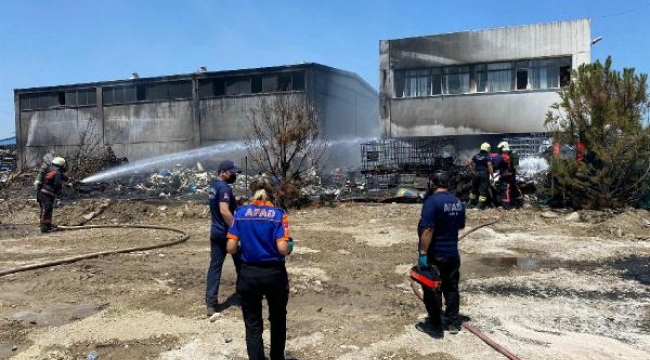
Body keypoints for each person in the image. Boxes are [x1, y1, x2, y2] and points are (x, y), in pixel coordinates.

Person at [226, 177, 293, 360]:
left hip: (248, 274)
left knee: (253, 323)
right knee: (278, 320)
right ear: (272, 193)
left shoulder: (240, 213)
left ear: (251, 192)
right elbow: (282, 248)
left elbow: (230, 247)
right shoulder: (279, 214)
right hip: (274, 274)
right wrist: (290, 246)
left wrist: (244, 245)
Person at [416, 171, 466, 338]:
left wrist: (423, 253)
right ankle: (452, 322)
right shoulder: (458, 202)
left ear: (433, 184)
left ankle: (435, 325)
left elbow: (428, 229)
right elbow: (460, 225)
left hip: (435, 254)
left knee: (432, 289)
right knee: (451, 287)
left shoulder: (431, 202)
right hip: (452, 253)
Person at [206, 160, 242, 316]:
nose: (234, 175)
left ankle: (211, 303)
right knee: (242, 265)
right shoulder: (224, 188)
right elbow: (225, 211)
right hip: (228, 234)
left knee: (215, 267)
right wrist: (237, 228)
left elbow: (223, 206)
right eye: (232, 172)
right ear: (223, 172)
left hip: (215, 232)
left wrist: (237, 203)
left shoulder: (213, 186)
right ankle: (244, 296)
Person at [36, 157, 69, 233]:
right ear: (61, 165)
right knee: (46, 210)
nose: (65, 166)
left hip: (42, 194)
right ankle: (44, 228)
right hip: (46, 194)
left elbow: (64, 177)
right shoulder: (57, 172)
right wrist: (60, 193)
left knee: (46, 210)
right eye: (64, 165)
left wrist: (69, 181)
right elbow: (57, 185)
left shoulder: (51, 170)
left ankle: (47, 226)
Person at [496, 142, 522, 209]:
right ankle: (518, 203)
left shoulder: (504, 156)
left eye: (500, 149)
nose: (499, 150)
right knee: (513, 187)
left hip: (506, 175)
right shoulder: (512, 154)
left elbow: (496, 165)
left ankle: (506, 205)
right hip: (511, 174)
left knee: (505, 189)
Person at [467, 142, 493, 209]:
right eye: (489, 148)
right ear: (487, 149)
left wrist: (472, 171)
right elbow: (489, 166)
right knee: (483, 190)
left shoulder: (476, 156)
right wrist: (492, 176)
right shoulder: (488, 157)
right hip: (484, 175)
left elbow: (469, 163)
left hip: (476, 173)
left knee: (474, 189)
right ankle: (480, 205)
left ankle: (470, 204)